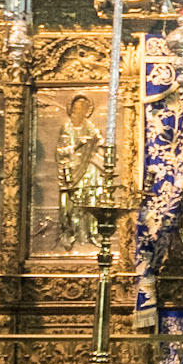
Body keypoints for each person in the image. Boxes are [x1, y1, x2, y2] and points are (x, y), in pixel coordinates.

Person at [56, 94, 105, 250]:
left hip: (88, 168)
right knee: (71, 203)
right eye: (77, 108)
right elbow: (61, 151)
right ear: (72, 110)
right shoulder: (67, 128)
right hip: (71, 169)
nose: (79, 112)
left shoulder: (90, 126)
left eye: (83, 109)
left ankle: (91, 234)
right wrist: (78, 144)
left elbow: (99, 141)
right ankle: (70, 233)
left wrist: (101, 145)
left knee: (91, 198)